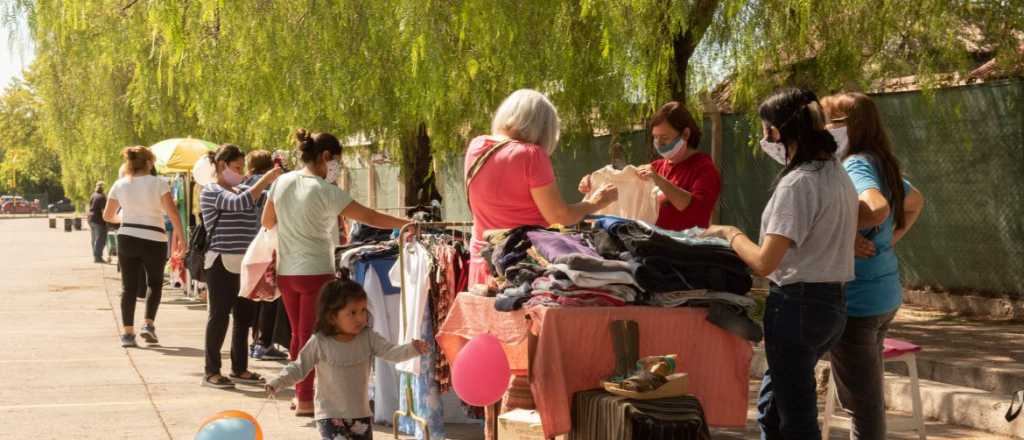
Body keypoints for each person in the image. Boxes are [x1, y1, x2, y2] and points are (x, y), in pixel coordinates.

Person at [702, 87, 858, 440]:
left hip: (796, 308)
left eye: (765, 129)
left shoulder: (798, 184)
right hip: (831, 306)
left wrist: (729, 233)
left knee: (796, 419)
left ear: (775, 131)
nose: (764, 138)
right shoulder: (836, 173)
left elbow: (764, 261)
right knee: (774, 409)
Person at [262, 129, 411, 416]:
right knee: (310, 337)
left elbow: (267, 220)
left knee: (298, 334)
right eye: (337, 162)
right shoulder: (325, 191)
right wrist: (405, 223)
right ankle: (305, 399)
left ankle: (302, 395)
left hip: (286, 272)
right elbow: (369, 216)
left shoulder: (281, 182)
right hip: (316, 270)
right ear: (326, 157)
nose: (337, 169)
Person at [820, 92, 926, 440]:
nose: (821, 128)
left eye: (828, 121)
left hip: (858, 303)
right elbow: (915, 202)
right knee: (867, 398)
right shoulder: (881, 161)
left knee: (863, 407)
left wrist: (845, 231)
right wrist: (890, 238)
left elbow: (876, 207)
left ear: (848, 127)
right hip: (884, 297)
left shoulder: (855, 165)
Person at [465, 89, 618, 284]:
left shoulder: (476, 147)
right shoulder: (531, 155)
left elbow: (509, 202)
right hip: (521, 267)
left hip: (482, 264)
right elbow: (559, 216)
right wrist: (596, 202)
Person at [266, 275, 428, 437]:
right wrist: (278, 382)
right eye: (352, 313)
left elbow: (391, 353)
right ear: (332, 317)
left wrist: (412, 348)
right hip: (330, 415)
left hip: (361, 414)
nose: (361, 318)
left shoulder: (369, 337)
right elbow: (299, 367)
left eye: (363, 310)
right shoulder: (320, 341)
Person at [199, 144, 283, 388]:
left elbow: (261, 199)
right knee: (219, 317)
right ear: (222, 166)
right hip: (221, 263)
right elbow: (238, 203)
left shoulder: (243, 187)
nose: (240, 172)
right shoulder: (211, 191)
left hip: (247, 264)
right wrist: (266, 178)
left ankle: (240, 368)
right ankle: (211, 371)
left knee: (243, 319)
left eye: (242, 168)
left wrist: (276, 183)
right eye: (236, 167)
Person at [579, 101, 721, 230]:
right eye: (655, 137)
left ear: (685, 134)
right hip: (654, 248)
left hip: (687, 251)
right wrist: (594, 182)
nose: (659, 144)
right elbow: (626, 184)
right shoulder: (657, 166)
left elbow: (697, 211)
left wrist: (659, 180)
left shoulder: (704, 169)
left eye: (664, 138)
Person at [103, 146, 186, 348]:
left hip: (128, 236)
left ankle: (127, 333)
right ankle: (148, 324)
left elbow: (107, 216)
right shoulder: (159, 183)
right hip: (154, 237)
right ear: (149, 163)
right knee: (155, 283)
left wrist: (125, 217)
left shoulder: (120, 184)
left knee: (128, 287)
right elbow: (173, 213)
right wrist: (181, 237)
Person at [243, 149, 289, 361]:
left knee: (252, 295)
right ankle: (264, 342)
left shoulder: (243, 184)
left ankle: (254, 340)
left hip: (249, 247)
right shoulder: (274, 183)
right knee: (269, 295)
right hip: (270, 246)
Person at [88, 181, 108, 263]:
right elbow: (103, 211)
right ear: (103, 188)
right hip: (98, 221)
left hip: (91, 219)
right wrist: (108, 221)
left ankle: (95, 256)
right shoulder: (102, 197)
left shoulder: (93, 195)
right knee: (100, 239)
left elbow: (90, 206)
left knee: (94, 239)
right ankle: (98, 257)